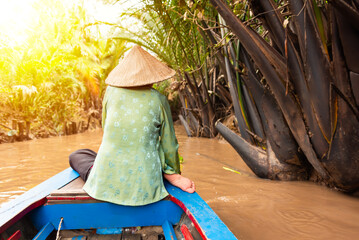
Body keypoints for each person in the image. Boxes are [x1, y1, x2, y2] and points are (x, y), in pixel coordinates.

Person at [69, 45, 195, 206]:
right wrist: (174, 174)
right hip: (146, 183)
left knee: (78, 155)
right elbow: (169, 145)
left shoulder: (110, 92)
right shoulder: (159, 100)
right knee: (151, 152)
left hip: (105, 183)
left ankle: (102, 168)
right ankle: (167, 174)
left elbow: (106, 127)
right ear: (152, 77)